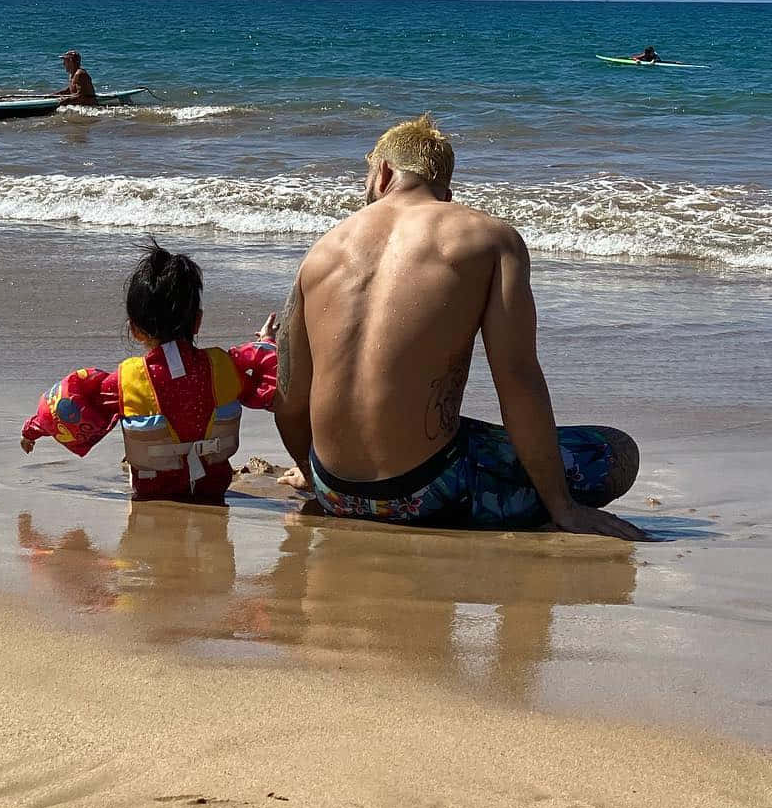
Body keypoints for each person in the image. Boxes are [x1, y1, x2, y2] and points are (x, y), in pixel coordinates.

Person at [272, 115, 646, 539]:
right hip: (427, 493)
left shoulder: (321, 252)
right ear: (446, 194)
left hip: (335, 491)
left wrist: (314, 476)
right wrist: (564, 508)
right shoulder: (488, 237)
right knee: (614, 452)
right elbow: (517, 378)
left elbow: (288, 397)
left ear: (384, 172)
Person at [19, 243, 279, 501]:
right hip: (211, 488)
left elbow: (68, 406)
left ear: (134, 329)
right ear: (197, 321)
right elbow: (265, 364)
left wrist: (32, 429)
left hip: (154, 493)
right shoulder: (223, 366)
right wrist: (267, 340)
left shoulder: (125, 381)